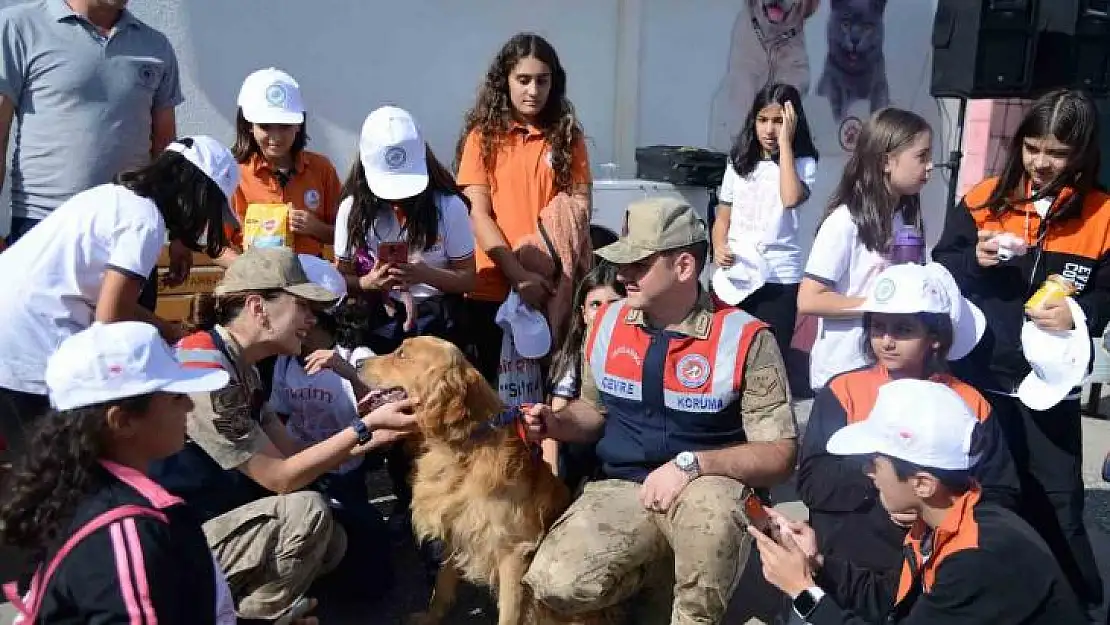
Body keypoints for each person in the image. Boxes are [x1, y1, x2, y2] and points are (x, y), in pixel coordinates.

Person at [520, 197, 798, 625]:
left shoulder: (745, 337)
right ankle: (657, 575)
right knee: (555, 582)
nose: (622, 275)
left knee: (703, 565)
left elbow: (780, 454)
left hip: (710, 485)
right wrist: (555, 422)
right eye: (622, 263)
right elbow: (593, 414)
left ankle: (693, 603)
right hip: (625, 485)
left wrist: (692, 465)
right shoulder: (607, 322)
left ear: (684, 267)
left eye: (639, 264)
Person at [148, 246, 419, 622]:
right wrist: (364, 428)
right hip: (165, 545)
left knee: (336, 541)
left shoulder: (242, 366)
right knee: (308, 513)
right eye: (302, 306)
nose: (312, 318)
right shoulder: (205, 373)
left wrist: (377, 436)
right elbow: (281, 478)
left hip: (206, 521)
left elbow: (293, 454)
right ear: (258, 307)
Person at [932, 88, 1110, 618]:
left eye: (1055, 152)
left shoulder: (1102, 214)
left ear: (1080, 152)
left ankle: (1077, 606)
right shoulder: (985, 197)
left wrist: (1081, 314)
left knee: (1059, 503)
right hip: (979, 375)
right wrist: (976, 260)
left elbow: (1105, 289)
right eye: (1032, 147)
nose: (1040, 162)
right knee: (980, 496)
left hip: (1048, 384)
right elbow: (944, 265)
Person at [750, 379, 1084, 625]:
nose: (868, 473)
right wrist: (818, 563)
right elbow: (893, 598)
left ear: (922, 484)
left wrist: (802, 590)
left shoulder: (978, 558)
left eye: (875, 463)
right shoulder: (949, 520)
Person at [0, 136, 237, 462]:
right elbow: (110, 320)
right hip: (28, 349)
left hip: (15, 334)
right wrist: (165, 342)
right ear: (198, 194)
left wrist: (164, 329)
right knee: (55, 476)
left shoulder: (113, 197)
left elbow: (109, 303)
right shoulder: (144, 221)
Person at [0, 321, 242, 625]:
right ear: (122, 421)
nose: (190, 405)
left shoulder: (76, 490)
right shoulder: (127, 526)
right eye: (175, 397)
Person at [797, 262, 1019, 577]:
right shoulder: (843, 390)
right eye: (878, 327)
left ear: (935, 337)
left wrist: (933, 506)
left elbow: (1000, 492)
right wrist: (888, 487)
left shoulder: (969, 403)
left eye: (903, 329)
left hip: (939, 564)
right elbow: (812, 483)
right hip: (851, 562)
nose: (886, 341)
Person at [456, 32, 592, 383]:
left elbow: (578, 211)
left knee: (547, 399)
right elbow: (477, 213)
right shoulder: (482, 138)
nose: (533, 90)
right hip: (492, 288)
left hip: (550, 289)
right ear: (505, 81)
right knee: (494, 398)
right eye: (523, 80)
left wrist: (540, 276)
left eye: (542, 81)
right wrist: (518, 276)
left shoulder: (567, 138)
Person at [0, 0, 182, 245]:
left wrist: (179, 231)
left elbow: (166, 149)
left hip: (129, 226)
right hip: (44, 223)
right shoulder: (18, 27)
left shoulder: (156, 45)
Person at [797, 107, 933, 392]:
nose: (930, 166)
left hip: (888, 374)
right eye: (922, 157)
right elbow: (810, 299)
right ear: (887, 161)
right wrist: (879, 306)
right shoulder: (844, 222)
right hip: (843, 372)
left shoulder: (904, 219)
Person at [335, 105, 476, 354]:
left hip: (437, 323)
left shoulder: (449, 206)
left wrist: (426, 274)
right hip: (377, 323)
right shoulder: (351, 209)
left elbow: (467, 278)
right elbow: (340, 278)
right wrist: (367, 283)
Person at [711, 82, 818, 365]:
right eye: (763, 120)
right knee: (725, 357)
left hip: (778, 276)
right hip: (736, 272)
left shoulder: (803, 162)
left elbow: (791, 197)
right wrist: (719, 244)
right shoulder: (739, 161)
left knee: (768, 361)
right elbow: (723, 216)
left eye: (778, 121)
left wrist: (785, 146)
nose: (769, 129)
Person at [223, 68, 341, 263]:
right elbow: (218, 245)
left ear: (298, 125)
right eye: (265, 126)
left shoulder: (322, 169)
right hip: (254, 281)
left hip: (311, 280)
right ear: (249, 126)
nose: (275, 138)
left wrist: (316, 228)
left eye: (285, 126)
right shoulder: (233, 174)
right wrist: (246, 270)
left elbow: (348, 238)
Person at [544, 261, 625, 489]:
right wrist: (552, 482)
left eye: (613, 303)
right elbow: (556, 418)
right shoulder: (574, 356)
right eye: (595, 304)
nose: (603, 311)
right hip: (581, 460)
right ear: (583, 313)